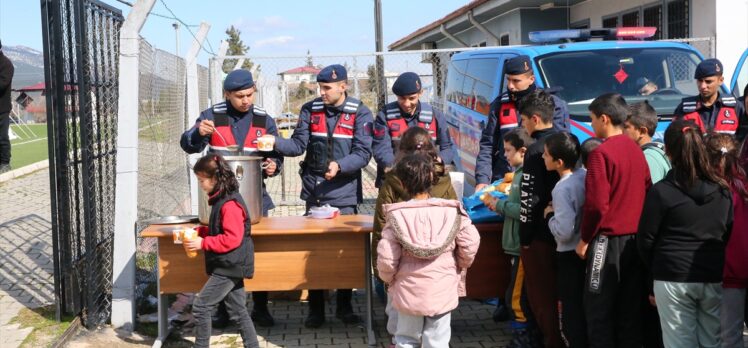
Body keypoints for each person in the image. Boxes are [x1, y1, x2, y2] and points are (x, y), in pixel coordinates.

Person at [271, 64, 373, 328]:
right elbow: (296, 145)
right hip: (315, 192)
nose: (322, 92)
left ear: (344, 86)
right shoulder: (310, 109)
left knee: (344, 252)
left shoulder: (360, 113)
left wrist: (340, 165)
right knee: (314, 253)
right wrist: (272, 142)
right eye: (320, 87)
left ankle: (344, 307)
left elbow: (363, 153)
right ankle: (316, 309)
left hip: (344, 193)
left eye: (327, 88)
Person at [180, 69, 282, 327]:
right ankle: (223, 312)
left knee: (253, 254)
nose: (246, 100)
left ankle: (260, 307)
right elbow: (188, 144)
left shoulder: (263, 120)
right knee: (222, 257)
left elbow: (276, 154)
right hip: (219, 204)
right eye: (239, 96)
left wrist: (274, 166)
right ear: (227, 94)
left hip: (256, 201)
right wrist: (199, 133)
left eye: (249, 94)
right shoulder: (211, 116)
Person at [637, 120, 733, 348]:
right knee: (712, 341)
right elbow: (726, 232)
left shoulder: (662, 191)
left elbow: (645, 240)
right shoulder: (722, 190)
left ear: (668, 150)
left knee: (679, 343)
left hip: (671, 275)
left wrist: (655, 270)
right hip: (711, 273)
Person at [376, 153, 480, 348]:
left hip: (408, 288)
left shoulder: (396, 216)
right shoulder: (452, 211)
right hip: (442, 286)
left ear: (403, 184)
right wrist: (460, 265)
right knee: (438, 341)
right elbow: (471, 240)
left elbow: (387, 258)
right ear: (432, 180)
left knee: (406, 339)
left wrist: (389, 278)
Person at [577, 93, 652, 348]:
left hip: (606, 242)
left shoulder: (601, 154)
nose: (591, 125)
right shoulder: (636, 149)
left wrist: (585, 238)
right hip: (636, 242)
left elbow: (597, 205)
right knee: (630, 311)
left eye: (592, 119)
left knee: (599, 309)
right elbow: (647, 188)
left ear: (604, 119)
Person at [372, 127, 457, 347]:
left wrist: (382, 272)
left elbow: (382, 229)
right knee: (436, 335)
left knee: (403, 332)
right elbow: (459, 227)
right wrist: (459, 266)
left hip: (404, 275)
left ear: (401, 151)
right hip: (440, 273)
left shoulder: (392, 181)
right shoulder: (444, 180)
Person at [185, 154, 260, 348]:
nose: (201, 185)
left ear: (215, 178)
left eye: (202, 180)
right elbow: (223, 230)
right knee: (238, 311)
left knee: (201, 307)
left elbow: (232, 239)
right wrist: (203, 232)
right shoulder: (223, 198)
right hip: (231, 263)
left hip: (229, 265)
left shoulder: (229, 204)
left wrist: (203, 243)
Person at [475, 55, 570, 191]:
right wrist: (482, 180)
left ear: (531, 79)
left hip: (538, 180)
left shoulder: (550, 104)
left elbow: (561, 145)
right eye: (508, 80)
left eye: (516, 81)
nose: (510, 86)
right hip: (504, 180)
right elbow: (487, 144)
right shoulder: (499, 105)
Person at [516, 89, 564, 348]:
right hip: (566, 231)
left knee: (541, 298)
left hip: (540, 236)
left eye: (523, 119)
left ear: (535, 119)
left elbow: (529, 199)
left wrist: (524, 238)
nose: (521, 125)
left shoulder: (535, 151)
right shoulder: (567, 139)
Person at [487, 127, 542, 347]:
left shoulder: (525, 175)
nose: (505, 156)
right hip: (514, 244)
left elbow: (523, 210)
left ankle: (523, 338)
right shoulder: (518, 174)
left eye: (509, 151)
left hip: (521, 245)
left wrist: (498, 204)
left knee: (516, 297)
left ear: (522, 150)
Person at [624, 101, 669, 348]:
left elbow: (647, 205)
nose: (623, 131)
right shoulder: (658, 152)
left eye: (627, 127)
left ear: (642, 129)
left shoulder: (647, 158)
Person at [542, 132, 588, 348]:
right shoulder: (585, 175)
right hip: (586, 250)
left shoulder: (562, 188)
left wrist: (549, 216)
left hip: (568, 254)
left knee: (571, 311)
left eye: (546, 154)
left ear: (559, 162)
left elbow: (564, 231)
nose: (542, 157)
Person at [372, 72, 454, 187]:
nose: (406, 103)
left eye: (412, 98)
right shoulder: (384, 115)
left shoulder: (435, 116)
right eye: (402, 98)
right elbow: (381, 149)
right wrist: (399, 169)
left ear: (421, 93)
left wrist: (438, 162)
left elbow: (447, 148)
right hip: (395, 181)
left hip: (427, 182)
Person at [705, 133, 748, 348]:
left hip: (727, 272)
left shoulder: (715, 191)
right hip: (737, 268)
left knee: (727, 336)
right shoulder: (742, 185)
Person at [673, 58, 748, 141]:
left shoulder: (736, 107)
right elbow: (675, 142)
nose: (702, 86)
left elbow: (743, 142)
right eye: (700, 81)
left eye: (708, 81)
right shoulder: (684, 110)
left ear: (720, 80)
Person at [624, 101, 671, 184]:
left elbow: (650, 194)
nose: (621, 131)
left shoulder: (648, 158)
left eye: (625, 127)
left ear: (642, 131)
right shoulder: (648, 154)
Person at [0, 40, 14, 173]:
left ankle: (5, 163)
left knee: (2, 137)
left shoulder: (6, 64)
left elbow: (2, 84)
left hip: (2, 108)